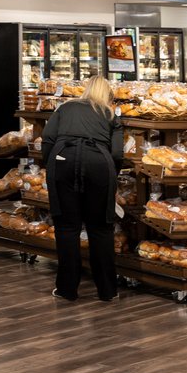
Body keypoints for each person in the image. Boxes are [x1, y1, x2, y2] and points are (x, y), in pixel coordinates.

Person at [41, 74, 122, 301]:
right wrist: (111, 177)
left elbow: (47, 138)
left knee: (67, 228)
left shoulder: (66, 108)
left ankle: (67, 290)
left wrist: (50, 165)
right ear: (107, 94)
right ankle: (107, 291)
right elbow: (117, 153)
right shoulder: (109, 113)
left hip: (62, 161)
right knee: (100, 228)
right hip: (99, 164)